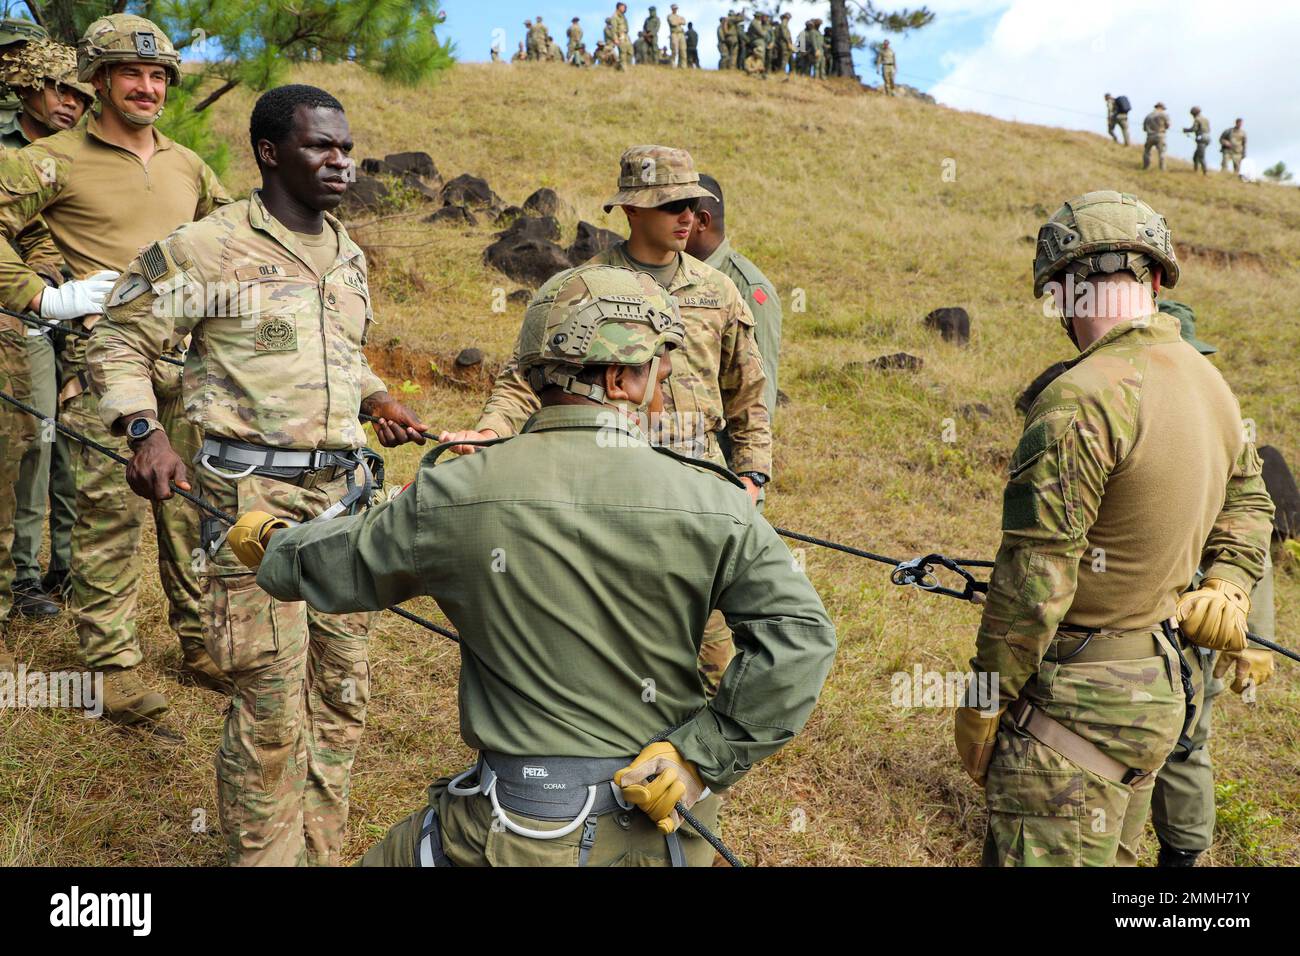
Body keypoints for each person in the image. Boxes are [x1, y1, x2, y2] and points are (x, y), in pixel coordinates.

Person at [235, 263, 837, 867]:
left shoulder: (450, 494)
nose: (662, 384)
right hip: (658, 839)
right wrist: (699, 759)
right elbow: (801, 641)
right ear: (623, 377)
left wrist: (267, 537)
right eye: (659, 370)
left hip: (499, 828)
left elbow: (324, 568)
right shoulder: (716, 502)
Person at [88, 84, 427, 866]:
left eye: (345, 146)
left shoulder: (348, 255)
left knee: (341, 695)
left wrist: (376, 397)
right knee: (272, 704)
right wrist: (144, 431)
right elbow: (117, 338)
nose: (340, 161)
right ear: (270, 153)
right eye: (320, 146)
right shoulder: (208, 247)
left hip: (344, 503)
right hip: (250, 504)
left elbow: (338, 353)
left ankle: (321, 850)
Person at [956, 190, 1274, 867]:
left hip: (1073, 708)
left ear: (1068, 289)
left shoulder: (1082, 395)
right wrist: (1229, 583)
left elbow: (1032, 583)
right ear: (1156, 277)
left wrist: (983, 701)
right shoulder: (1208, 382)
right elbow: (1252, 500)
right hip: (1157, 694)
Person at [0, 14, 231, 718]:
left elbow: (240, 238)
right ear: (98, 81)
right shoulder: (50, 160)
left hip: (190, 364)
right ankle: (112, 667)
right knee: (109, 516)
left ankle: (201, 640)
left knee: (195, 509)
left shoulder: (187, 164)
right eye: (131, 73)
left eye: (159, 74)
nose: (147, 86)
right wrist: (44, 294)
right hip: (102, 361)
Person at [1148, 300, 1277, 868]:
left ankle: (1180, 865)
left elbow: (1250, 539)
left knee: (1183, 745)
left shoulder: (1223, 433)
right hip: (1126, 623)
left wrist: (1254, 637)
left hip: (1198, 627)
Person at [0, 38, 93, 619]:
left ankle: (65, 565)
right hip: (18, 311)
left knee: (71, 441)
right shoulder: (8, 151)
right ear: (27, 86)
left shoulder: (90, 153)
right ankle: (19, 575)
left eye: (82, 93)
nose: (70, 102)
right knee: (28, 441)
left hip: (80, 309)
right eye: (59, 88)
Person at [1142, 102, 1170, 171]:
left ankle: (1146, 167)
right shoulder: (1164, 115)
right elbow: (1168, 125)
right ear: (1161, 108)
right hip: (1160, 136)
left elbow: (1144, 128)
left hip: (1150, 136)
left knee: (1147, 152)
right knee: (1162, 153)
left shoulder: (1148, 116)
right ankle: (1162, 169)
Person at [1183, 107, 1211, 175]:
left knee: (1201, 156)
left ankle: (1205, 172)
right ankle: (1195, 171)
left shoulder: (1197, 119)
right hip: (1207, 138)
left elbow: (1194, 129)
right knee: (1196, 156)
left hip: (1201, 138)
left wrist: (1186, 130)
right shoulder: (1205, 119)